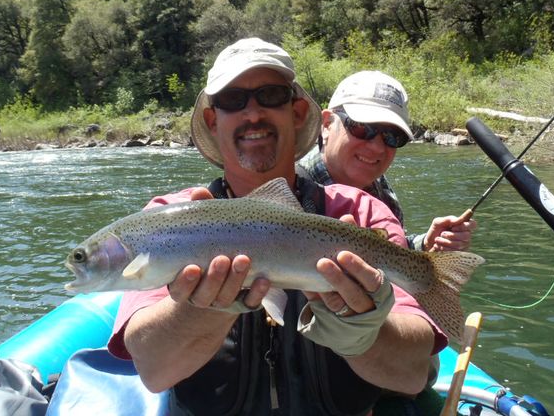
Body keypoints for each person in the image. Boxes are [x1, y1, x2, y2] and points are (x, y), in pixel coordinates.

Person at [107, 38, 444, 415]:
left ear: (297, 112)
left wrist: (363, 332)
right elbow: (153, 371)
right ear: (212, 120)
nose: (253, 114)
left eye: (270, 95)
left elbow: (413, 374)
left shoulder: (362, 213)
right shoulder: (167, 218)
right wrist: (202, 310)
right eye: (234, 99)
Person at [298, 70, 477, 253]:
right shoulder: (290, 193)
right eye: (363, 127)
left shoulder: (378, 186)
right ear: (327, 124)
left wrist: (424, 245)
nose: (377, 147)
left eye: (393, 136)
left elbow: (383, 252)